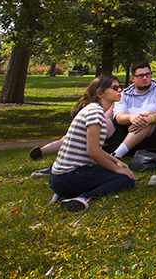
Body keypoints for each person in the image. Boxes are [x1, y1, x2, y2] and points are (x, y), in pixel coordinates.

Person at [49, 75, 136, 212]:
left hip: (62, 176)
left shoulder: (93, 109)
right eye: (114, 88)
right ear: (100, 93)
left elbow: (94, 148)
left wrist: (116, 162)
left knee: (118, 172)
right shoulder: (95, 112)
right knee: (126, 180)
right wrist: (116, 169)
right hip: (68, 176)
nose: (120, 90)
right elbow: (92, 151)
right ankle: (83, 198)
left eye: (119, 87)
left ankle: (63, 194)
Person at [104, 62, 156, 158]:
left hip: (154, 137)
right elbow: (119, 117)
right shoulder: (125, 94)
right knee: (104, 122)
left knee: (147, 115)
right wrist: (131, 117)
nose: (145, 78)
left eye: (147, 74)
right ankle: (92, 151)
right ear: (133, 78)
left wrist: (150, 119)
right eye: (140, 76)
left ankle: (116, 155)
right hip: (126, 131)